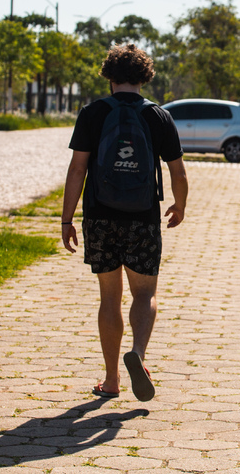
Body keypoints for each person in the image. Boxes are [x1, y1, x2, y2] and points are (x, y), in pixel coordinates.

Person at [61, 43, 188, 402]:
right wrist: (180, 206)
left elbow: (77, 169)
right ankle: (140, 356)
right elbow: (177, 171)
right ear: (144, 76)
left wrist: (67, 218)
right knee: (144, 294)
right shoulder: (159, 116)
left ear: (109, 76)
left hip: (100, 216)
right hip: (143, 217)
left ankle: (112, 379)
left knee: (109, 298)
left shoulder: (93, 113)